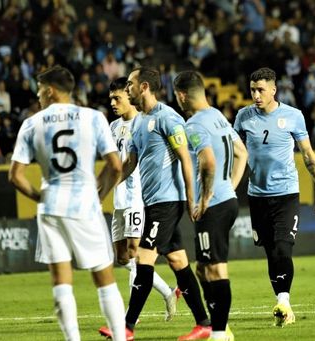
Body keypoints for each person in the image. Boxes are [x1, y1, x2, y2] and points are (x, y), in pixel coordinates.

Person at [8, 65, 128, 341]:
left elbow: (15, 176)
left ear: (50, 90)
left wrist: (40, 196)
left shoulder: (31, 123)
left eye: (39, 90)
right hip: (84, 204)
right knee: (103, 279)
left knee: (61, 282)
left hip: (50, 208)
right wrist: (98, 193)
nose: (38, 95)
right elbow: (115, 166)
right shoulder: (93, 118)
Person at [99, 67, 211, 341]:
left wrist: (190, 197)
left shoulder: (167, 117)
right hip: (152, 202)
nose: (127, 90)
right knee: (178, 262)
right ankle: (204, 324)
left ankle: (126, 327)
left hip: (168, 201)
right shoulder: (137, 123)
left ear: (145, 87)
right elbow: (130, 164)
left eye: (130, 85)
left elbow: (185, 157)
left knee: (144, 258)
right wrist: (105, 189)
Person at [233, 67, 315, 327]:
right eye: (252, 89)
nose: (255, 95)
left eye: (260, 89)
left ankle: (284, 302)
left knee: (283, 246)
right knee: (270, 253)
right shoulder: (243, 117)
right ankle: (282, 302)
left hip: (286, 193)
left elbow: (308, 155)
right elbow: (235, 154)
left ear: (273, 90)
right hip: (257, 195)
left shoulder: (293, 116)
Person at [173, 70, 248, 341]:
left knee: (215, 268)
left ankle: (218, 333)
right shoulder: (217, 116)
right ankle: (220, 327)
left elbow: (208, 162)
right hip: (226, 200)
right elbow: (242, 153)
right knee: (202, 268)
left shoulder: (193, 125)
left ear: (181, 95)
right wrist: (230, 186)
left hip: (213, 206)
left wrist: (205, 198)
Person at [107, 77, 179, 322]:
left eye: (118, 98)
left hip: (138, 196)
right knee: (122, 258)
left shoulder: (144, 122)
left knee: (137, 253)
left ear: (130, 96)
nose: (114, 103)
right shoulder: (113, 127)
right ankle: (168, 291)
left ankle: (130, 317)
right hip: (118, 199)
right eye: (111, 99)